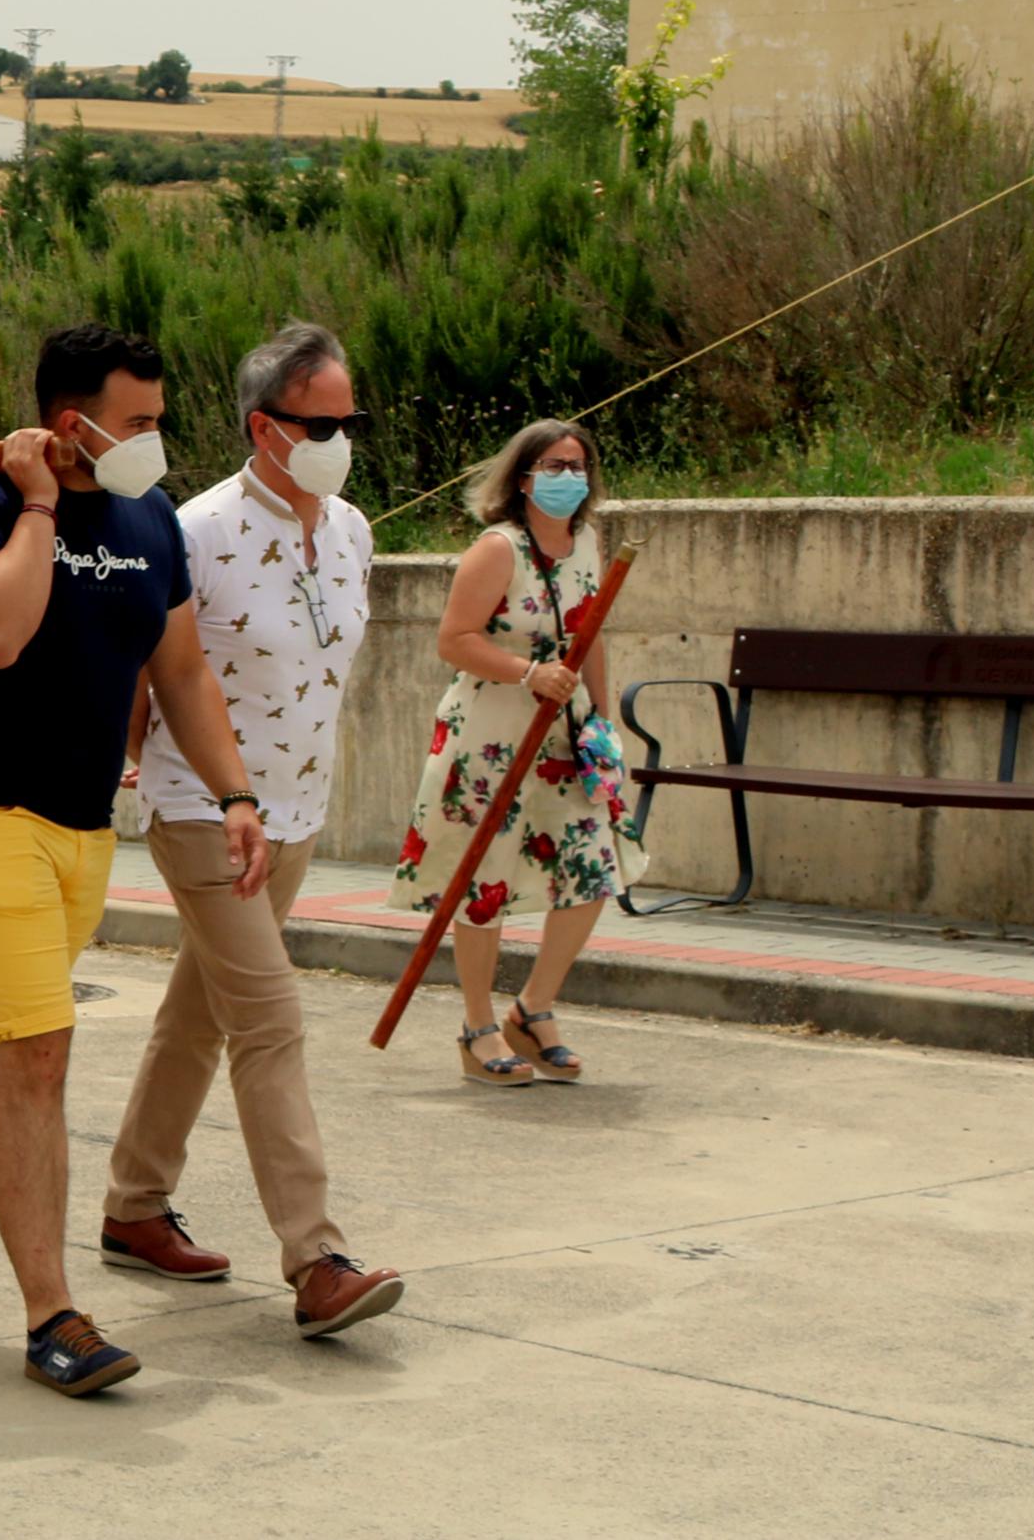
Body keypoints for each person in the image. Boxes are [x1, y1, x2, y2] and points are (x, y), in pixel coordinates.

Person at [0, 325, 269, 1400]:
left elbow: (180, 673)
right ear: (68, 417)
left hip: (76, 827)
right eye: (134, 423)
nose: (152, 443)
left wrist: (235, 792)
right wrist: (36, 504)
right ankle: (51, 1314)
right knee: (34, 1049)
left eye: (158, 421)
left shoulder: (150, 517)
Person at [100, 323, 405, 1338]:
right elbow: (151, 665)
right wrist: (122, 768)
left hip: (297, 813)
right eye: (319, 422)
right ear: (261, 427)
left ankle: (132, 1202)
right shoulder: (195, 530)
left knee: (198, 1012)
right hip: (201, 808)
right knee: (268, 1018)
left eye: (347, 420)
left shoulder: (354, 528)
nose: (338, 437)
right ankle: (314, 1255)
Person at [393, 418, 643, 1087]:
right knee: (485, 879)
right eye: (554, 465)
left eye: (578, 465)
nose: (568, 476)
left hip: (567, 736)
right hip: (492, 733)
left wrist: (603, 717)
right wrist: (526, 672)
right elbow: (454, 638)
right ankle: (476, 1025)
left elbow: (591, 631)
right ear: (523, 476)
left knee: (594, 866)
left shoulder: (588, 541)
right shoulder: (496, 548)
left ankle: (531, 1009)